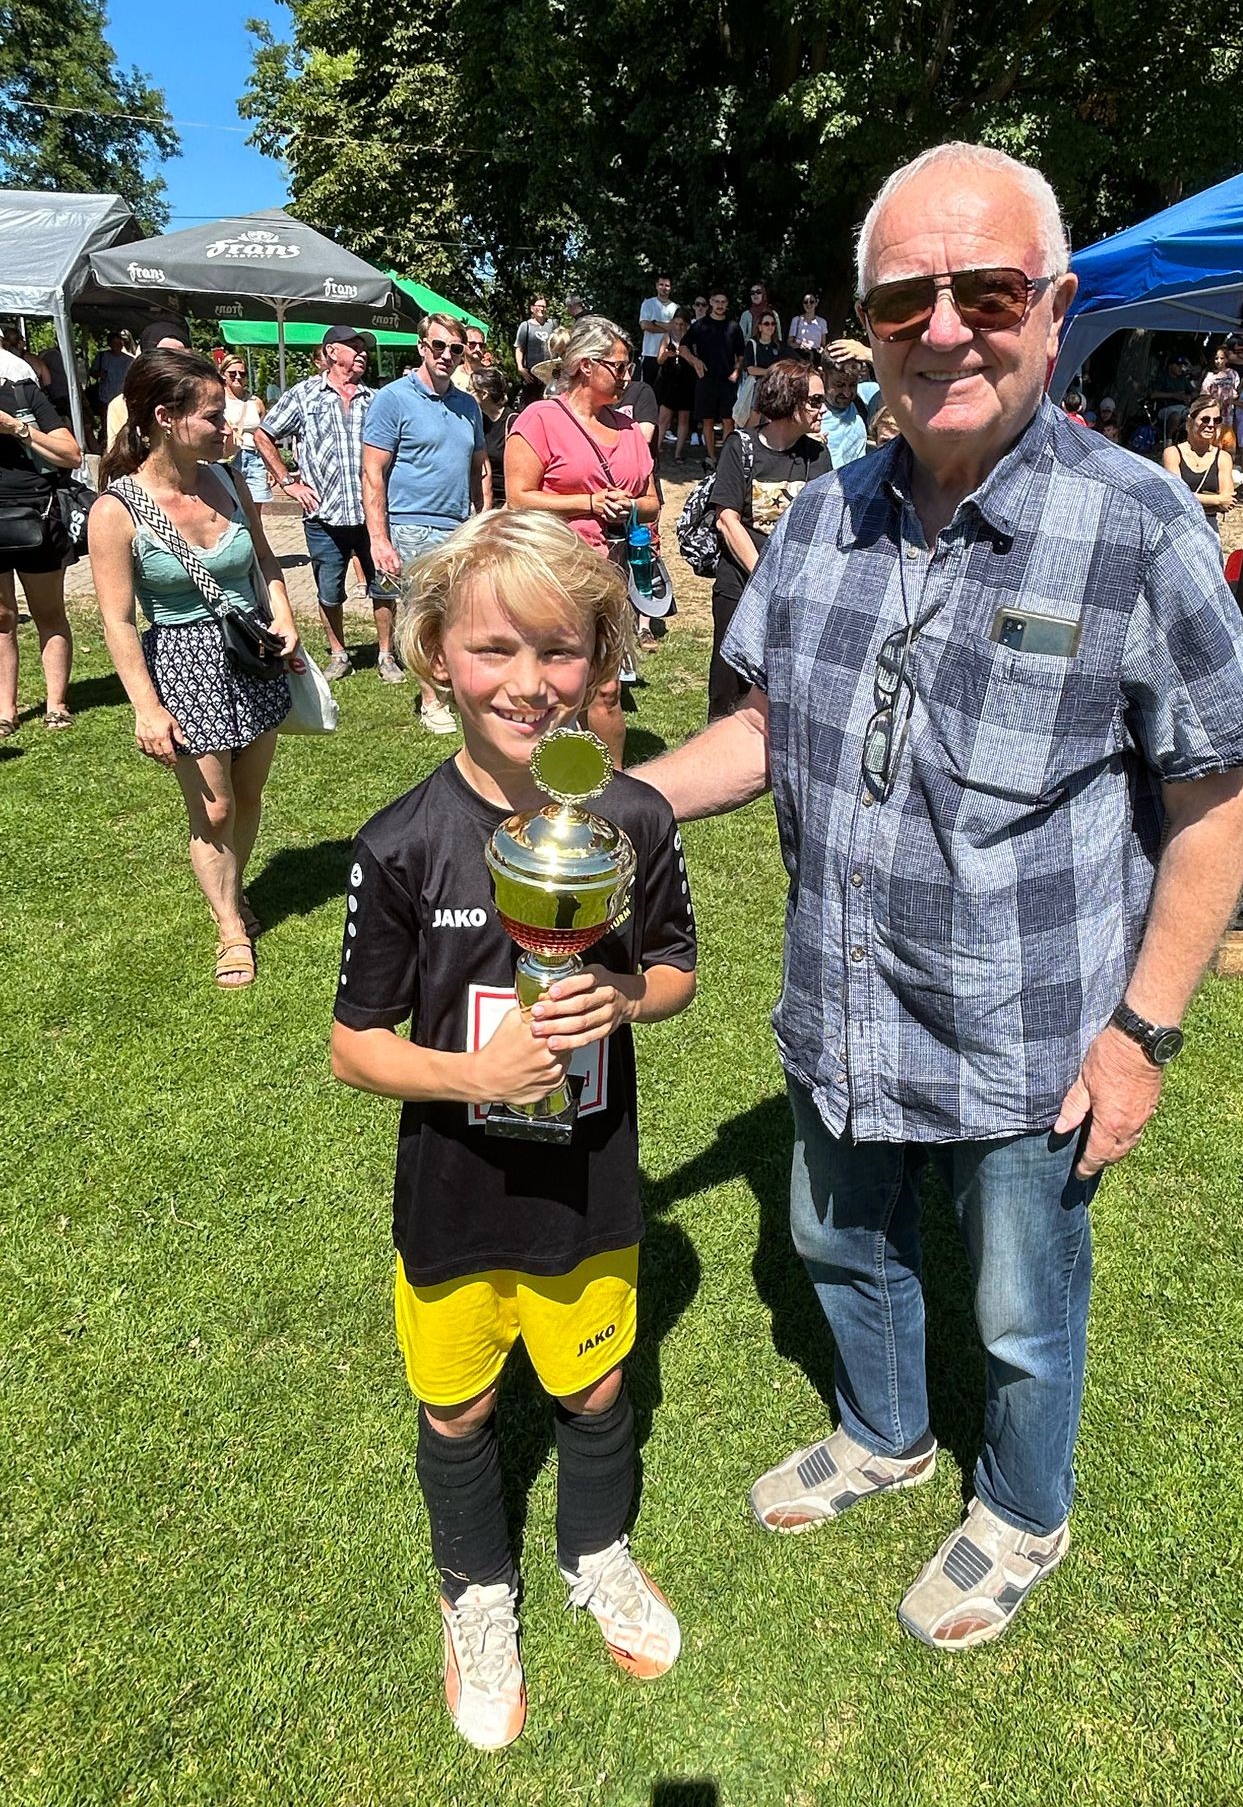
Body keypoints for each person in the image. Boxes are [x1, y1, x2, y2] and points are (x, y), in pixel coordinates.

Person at [636, 141, 1243, 1651]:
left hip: (1029, 1032)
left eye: (985, 292)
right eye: (902, 299)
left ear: (1054, 308)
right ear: (864, 325)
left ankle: (1025, 1509)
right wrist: (617, 802)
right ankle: (884, 1431)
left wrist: (1141, 1035)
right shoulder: (824, 514)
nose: (943, 329)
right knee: (838, 1242)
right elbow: (767, 726)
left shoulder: (1138, 526)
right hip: (843, 997)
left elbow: (1217, 802)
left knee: (1021, 1312)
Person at [328, 511, 696, 1751]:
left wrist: (625, 994)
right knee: (459, 1406)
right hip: (455, 1192)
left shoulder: (633, 820)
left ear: (602, 655)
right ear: (435, 651)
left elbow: (678, 972)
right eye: (494, 648)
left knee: (595, 1382)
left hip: (587, 1182)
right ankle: (475, 1593)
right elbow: (352, 1045)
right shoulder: (399, 843)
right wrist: (469, 1069)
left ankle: (597, 1548)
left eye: (560, 649)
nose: (529, 682)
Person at [88, 349, 302, 986]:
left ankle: (232, 888)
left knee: (250, 794)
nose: (226, 426)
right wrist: (146, 708)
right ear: (165, 418)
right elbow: (117, 621)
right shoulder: (116, 511)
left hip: (251, 655)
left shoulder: (230, 481)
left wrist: (284, 614)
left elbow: (265, 560)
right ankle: (231, 925)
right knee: (213, 810)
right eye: (212, 416)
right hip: (184, 666)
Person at [502, 317, 659, 770]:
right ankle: (533, 772)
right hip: (553, 572)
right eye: (620, 367)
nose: (627, 377)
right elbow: (518, 498)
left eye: (629, 368)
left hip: (613, 573)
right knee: (551, 683)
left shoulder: (629, 429)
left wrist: (627, 506)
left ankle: (610, 785)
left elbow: (652, 502)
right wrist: (589, 502)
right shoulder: (541, 419)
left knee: (606, 687)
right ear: (587, 366)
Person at [252, 326, 401, 687]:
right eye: (354, 347)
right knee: (329, 592)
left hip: (372, 517)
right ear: (332, 352)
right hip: (324, 516)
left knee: (384, 587)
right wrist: (288, 481)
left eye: (364, 348)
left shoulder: (376, 399)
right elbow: (263, 434)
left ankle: (386, 654)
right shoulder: (304, 395)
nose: (362, 353)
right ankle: (338, 653)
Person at [363, 312, 489, 734]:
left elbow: (480, 467)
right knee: (424, 615)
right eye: (438, 346)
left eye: (456, 348)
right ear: (422, 347)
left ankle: (456, 688)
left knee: (462, 615)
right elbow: (372, 472)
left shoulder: (468, 405)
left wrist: (484, 520)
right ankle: (432, 701)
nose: (447, 355)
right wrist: (379, 539)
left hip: (459, 527)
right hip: (411, 526)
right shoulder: (393, 399)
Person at [707, 358, 830, 720]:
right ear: (789, 400)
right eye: (815, 401)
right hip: (740, 587)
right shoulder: (740, 446)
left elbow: (823, 522)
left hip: (796, 591)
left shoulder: (817, 455)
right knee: (729, 687)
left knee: (782, 686)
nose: (823, 409)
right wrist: (766, 578)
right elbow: (727, 520)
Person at [0, 357, 81, 735]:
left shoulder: (24, 394)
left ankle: (56, 705)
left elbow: (71, 455)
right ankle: (6, 710)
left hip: (38, 517)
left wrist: (17, 428)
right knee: (1, 618)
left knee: (48, 612)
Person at [103, 318, 190, 451]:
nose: (173, 362)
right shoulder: (122, 406)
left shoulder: (200, 400)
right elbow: (118, 455)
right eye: (165, 355)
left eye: (180, 355)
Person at [681, 291, 744, 468]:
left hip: (727, 380)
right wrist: (695, 362)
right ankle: (711, 457)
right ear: (711, 302)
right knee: (707, 420)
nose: (720, 305)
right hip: (706, 379)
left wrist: (737, 371)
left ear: (727, 304)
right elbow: (683, 347)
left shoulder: (734, 326)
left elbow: (741, 353)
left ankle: (726, 459)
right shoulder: (700, 325)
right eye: (717, 301)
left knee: (728, 420)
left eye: (723, 302)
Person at [1161, 394, 1234, 523]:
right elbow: (1176, 495)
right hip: (1179, 523)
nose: (1211, 425)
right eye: (1205, 419)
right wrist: (1217, 499)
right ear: (1191, 421)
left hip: (1208, 524)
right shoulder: (1172, 453)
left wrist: (1191, 497)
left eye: (1216, 420)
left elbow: (1227, 502)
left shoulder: (1223, 458)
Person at [218, 355, 269, 515]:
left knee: (254, 513)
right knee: (229, 510)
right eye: (232, 373)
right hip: (228, 458)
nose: (238, 377)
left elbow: (264, 436)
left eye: (242, 373)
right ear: (223, 374)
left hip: (254, 459)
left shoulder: (255, 402)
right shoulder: (217, 400)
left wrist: (269, 466)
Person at [469, 365, 513, 507]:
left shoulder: (512, 422)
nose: (466, 394)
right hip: (481, 503)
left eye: (470, 390)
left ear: (484, 394)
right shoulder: (478, 421)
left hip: (506, 504)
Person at [655, 314, 696, 462]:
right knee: (663, 418)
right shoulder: (668, 337)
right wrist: (667, 354)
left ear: (687, 325)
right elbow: (659, 360)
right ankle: (655, 451)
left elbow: (695, 361)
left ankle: (678, 453)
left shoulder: (692, 340)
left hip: (686, 381)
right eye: (676, 324)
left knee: (684, 418)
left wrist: (684, 354)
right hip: (670, 381)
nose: (678, 327)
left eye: (681, 324)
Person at [736, 311, 783, 431]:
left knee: (771, 420)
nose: (770, 326)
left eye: (773, 324)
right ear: (760, 327)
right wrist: (771, 371)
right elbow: (751, 369)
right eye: (766, 323)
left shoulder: (778, 346)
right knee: (754, 420)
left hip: (774, 387)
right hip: (756, 387)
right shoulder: (752, 344)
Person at [817, 361, 869, 468]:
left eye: (853, 385)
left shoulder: (861, 404)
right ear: (822, 376)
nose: (847, 393)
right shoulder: (808, 415)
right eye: (839, 385)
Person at [514, 297, 554, 412]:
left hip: (549, 373)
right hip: (531, 374)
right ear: (532, 308)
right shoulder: (525, 326)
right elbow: (519, 348)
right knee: (530, 405)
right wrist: (520, 368)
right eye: (539, 306)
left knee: (548, 405)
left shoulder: (551, 324)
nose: (542, 309)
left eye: (544, 306)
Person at [638, 276, 674, 388]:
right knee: (647, 390)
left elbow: (676, 329)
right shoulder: (648, 304)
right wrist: (667, 328)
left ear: (671, 288)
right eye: (661, 285)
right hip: (650, 354)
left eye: (667, 285)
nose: (664, 288)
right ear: (656, 286)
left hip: (668, 355)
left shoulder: (675, 307)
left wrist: (655, 323)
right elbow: (644, 325)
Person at [1201, 343, 1239, 418]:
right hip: (1214, 410)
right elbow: (1204, 393)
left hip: (1228, 411)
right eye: (1216, 358)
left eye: (1222, 358)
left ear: (1226, 359)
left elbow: (1237, 390)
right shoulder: (1210, 375)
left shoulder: (1233, 374)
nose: (1218, 361)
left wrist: (1231, 398)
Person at [451, 324, 490, 393]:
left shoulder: (490, 376)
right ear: (463, 345)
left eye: (481, 345)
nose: (478, 349)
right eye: (472, 344)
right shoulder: (451, 373)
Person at [739, 281, 780, 345]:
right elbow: (741, 337)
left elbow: (778, 336)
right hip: (751, 348)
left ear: (763, 294)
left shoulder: (773, 314)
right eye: (752, 293)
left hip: (770, 348)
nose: (755, 295)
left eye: (758, 292)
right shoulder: (746, 315)